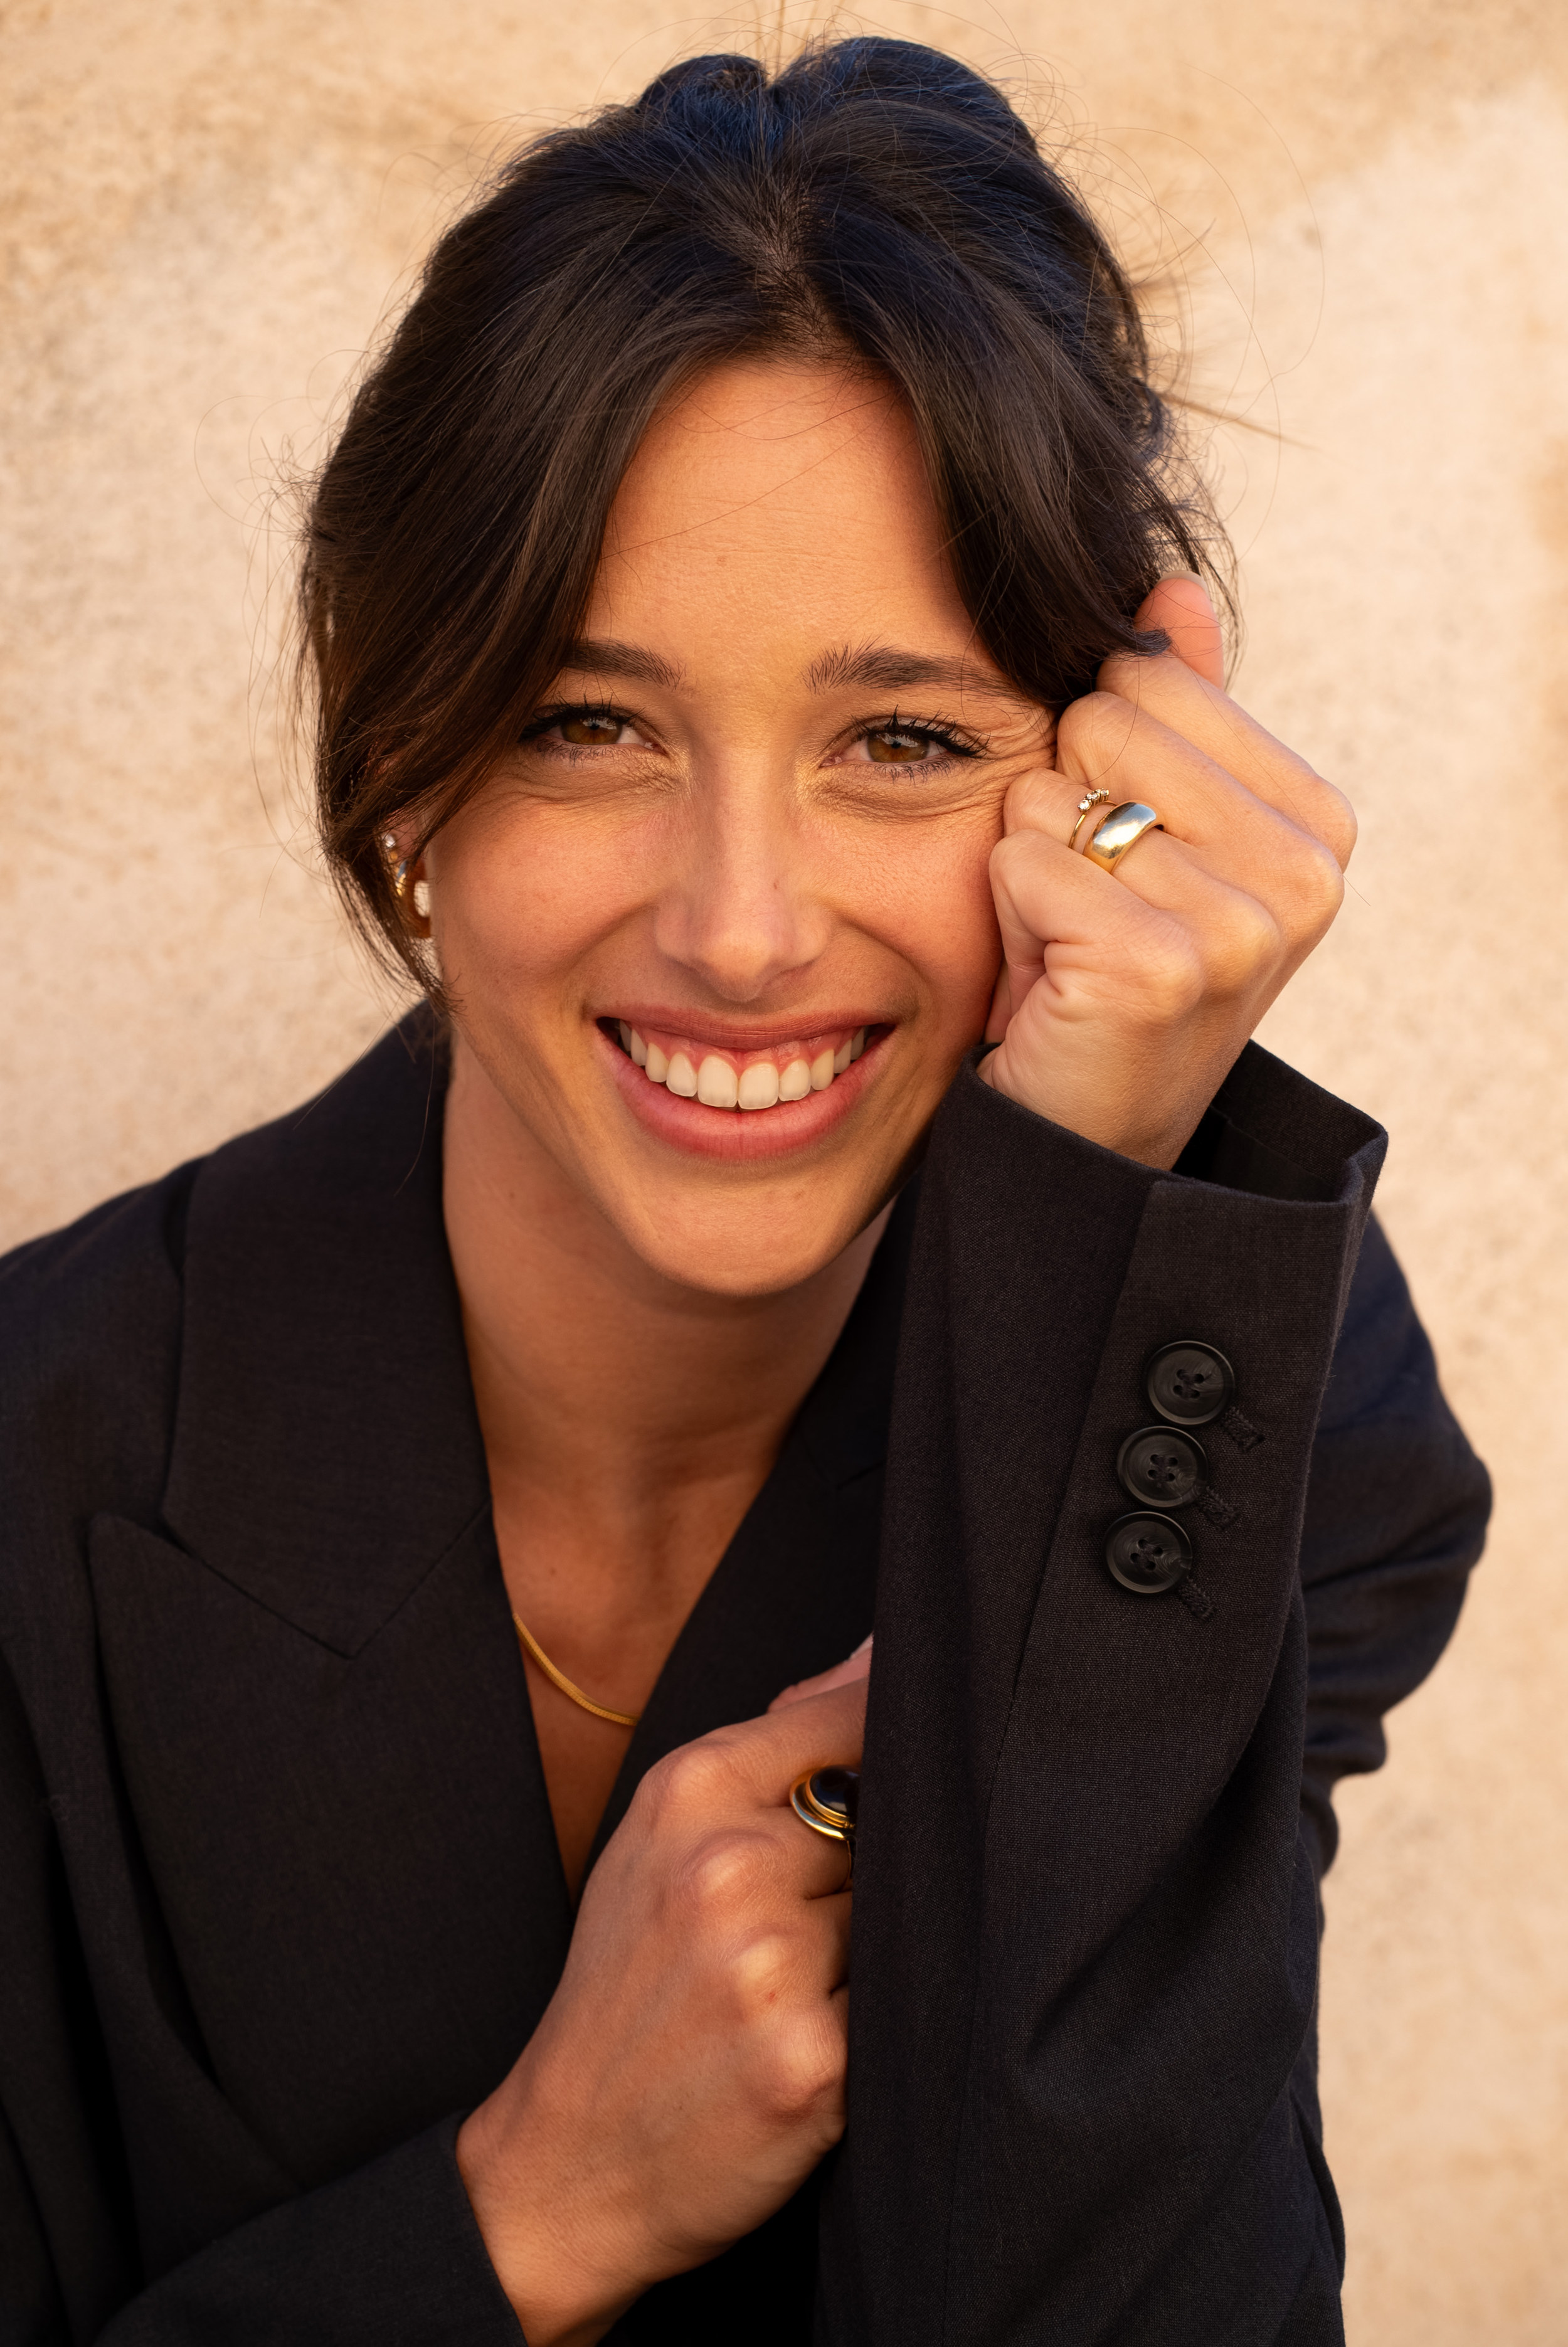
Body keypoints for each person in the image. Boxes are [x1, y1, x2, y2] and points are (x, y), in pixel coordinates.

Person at [0, 38, 1488, 2347]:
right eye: (588, 726)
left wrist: (1093, 1155)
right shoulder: (30, 1482)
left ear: (1111, 778)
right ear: (404, 765)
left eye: (902, 742)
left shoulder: (1262, 1439)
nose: (740, 924)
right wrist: (527, 2211)